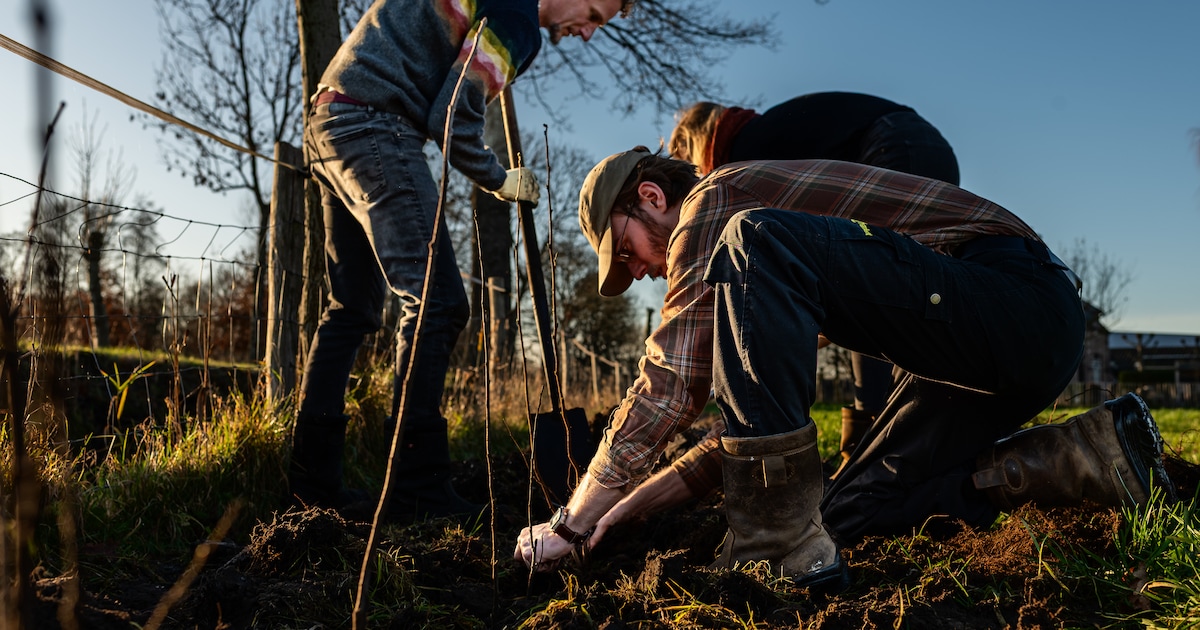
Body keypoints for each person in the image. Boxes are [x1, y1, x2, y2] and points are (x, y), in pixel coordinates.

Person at [513, 148, 1173, 588]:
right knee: (843, 512)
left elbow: (670, 385)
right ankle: (1090, 453)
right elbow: (739, 438)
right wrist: (617, 516)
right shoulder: (774, 279)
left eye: (625, 254)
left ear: (651, 196)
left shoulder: (716, 204)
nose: (641, 272)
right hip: (989, 349)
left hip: (1014, 296)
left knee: (754, 240)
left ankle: (773, 552)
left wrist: (568, 525)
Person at [288, 0, 633, 522]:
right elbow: (451, 117)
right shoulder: (517, 20)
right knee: (437, 303)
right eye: (592, 14)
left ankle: (310, 490)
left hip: (330, 117)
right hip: (375, 124)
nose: (586, 32)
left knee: (352, 306)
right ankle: (416, 489)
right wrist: (499, 179)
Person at [669, 92, 961, 467]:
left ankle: (876, 440)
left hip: (896, 147)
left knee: (874, 292)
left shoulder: (747, 153)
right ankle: (903, 429)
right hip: (923, 146)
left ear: (696, 147)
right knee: (906, 291)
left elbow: (770, 257)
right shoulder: (768, 133)